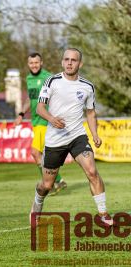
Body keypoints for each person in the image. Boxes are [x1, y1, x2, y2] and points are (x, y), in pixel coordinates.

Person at [30, 48, 113, 226]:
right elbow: (39, 109)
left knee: (92, 171)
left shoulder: (87, 86)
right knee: (47, 185)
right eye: (66, 59)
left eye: (73, 60)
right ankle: (37, 201)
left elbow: (90, 113)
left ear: (79, 63)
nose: (69, 63)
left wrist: (95, 134)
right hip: (55, 140)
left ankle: (103, 213)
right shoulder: (51, 81)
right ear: (62, 62)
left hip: (77, 137)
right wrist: (52, 119)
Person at [15, 52, 67, 196]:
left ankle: (49, 183)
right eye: (31, 63)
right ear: (28, 64)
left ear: (41, 62)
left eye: (36, 62)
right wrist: (21, 114)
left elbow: (60, 96)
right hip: (36, 122)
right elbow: (29, 100)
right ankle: (58, 181)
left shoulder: (49, 78)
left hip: (46, 121)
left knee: (35, 153)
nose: (34, 65)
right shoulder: (29, 78)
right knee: (42, 155)